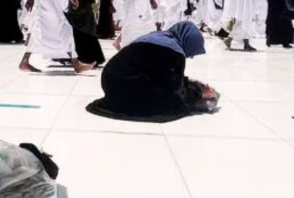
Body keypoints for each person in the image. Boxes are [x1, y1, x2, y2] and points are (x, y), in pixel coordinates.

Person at [86, 21, 219, 122]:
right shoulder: (175, 51)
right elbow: (175, 90)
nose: (189, 56)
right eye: (191, 51)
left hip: (110, 83)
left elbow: (159, 73)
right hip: (126, 87)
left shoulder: (158, 36)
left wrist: (189, 81)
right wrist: (198, 93)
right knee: (172, 104)